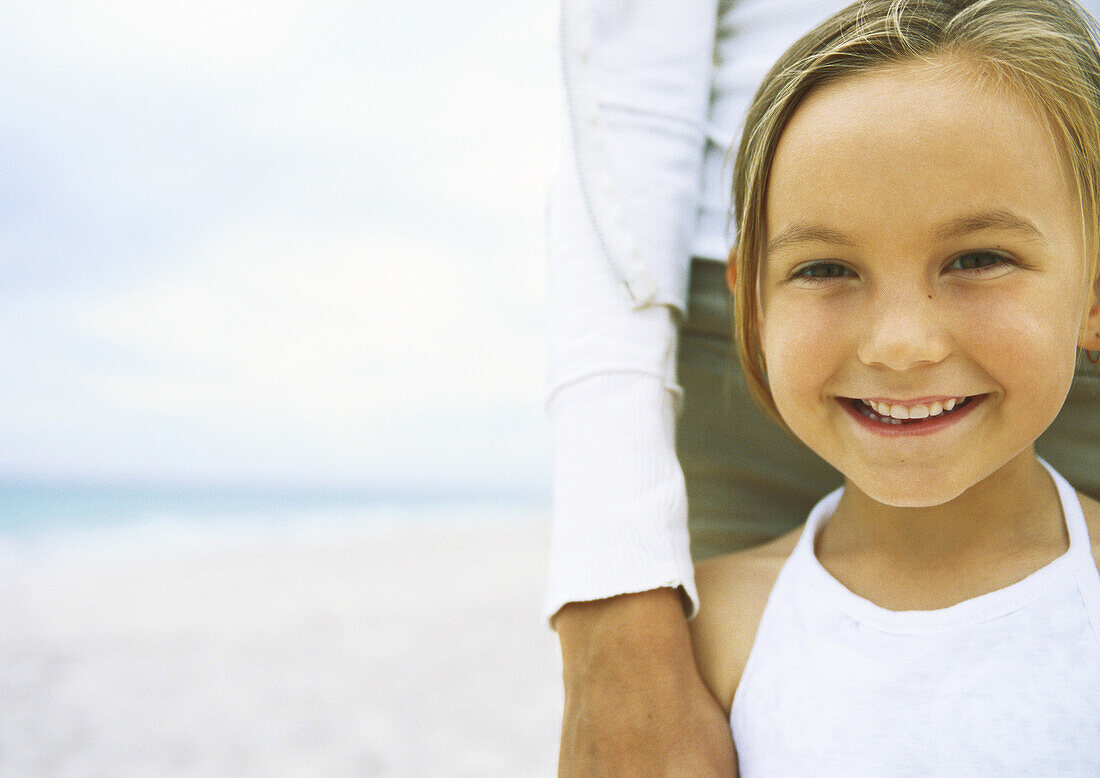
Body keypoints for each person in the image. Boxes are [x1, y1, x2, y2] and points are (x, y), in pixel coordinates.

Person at [547, 0, 1100, 775]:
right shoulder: (722, 633)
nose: (901, 345)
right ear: (752, 302)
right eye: (827, 269)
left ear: (1094, 293)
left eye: (977, 259)